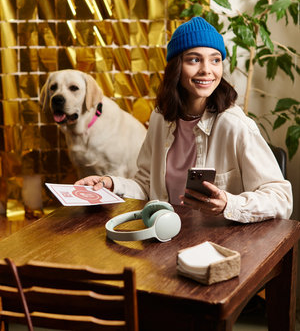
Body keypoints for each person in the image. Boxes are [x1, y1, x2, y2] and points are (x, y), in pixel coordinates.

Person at [74, 17, 293, 223]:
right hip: (165, 236)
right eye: (194, 59)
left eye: (215, 60)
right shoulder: (161, 118)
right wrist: (111, 184)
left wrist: (229, 203)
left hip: (220, 245)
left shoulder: (234, 124)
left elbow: (282, 198)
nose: (207, 70)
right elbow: (146, 185)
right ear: (176, 67)